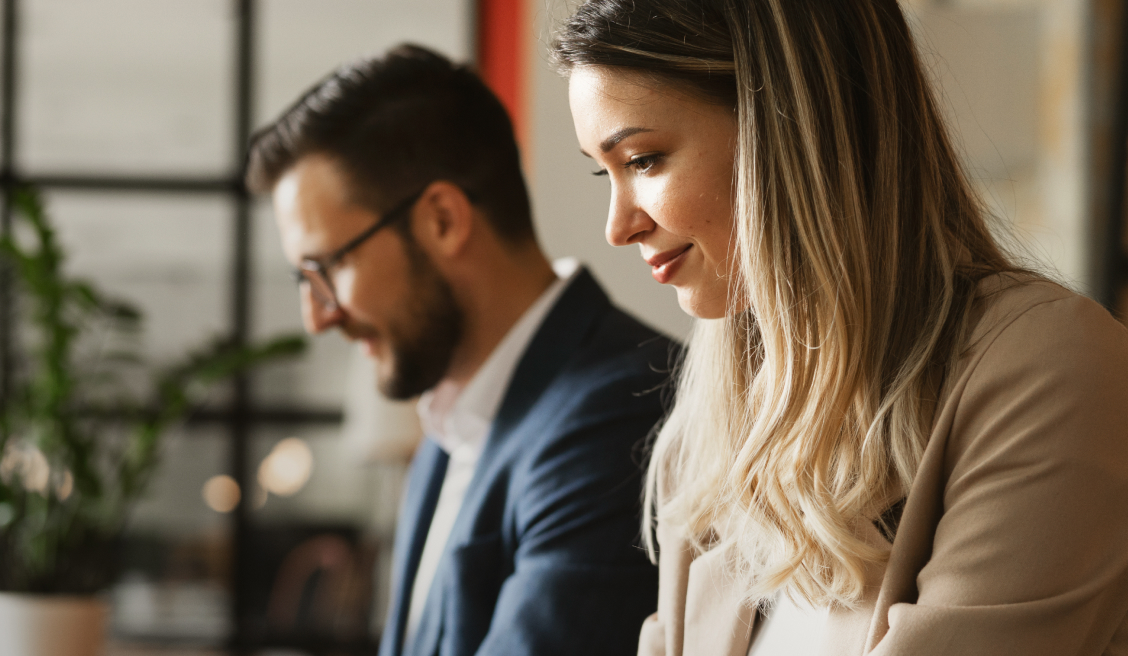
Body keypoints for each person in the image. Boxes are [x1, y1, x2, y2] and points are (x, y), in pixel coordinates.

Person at [553, 0, 1128, 654]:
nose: (617, 225)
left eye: (644, 159)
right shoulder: (708, 431)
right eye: (606, 172)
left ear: (790, 130)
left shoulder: (1052, 370)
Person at [247, 44, 676, 656]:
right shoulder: (449, 434)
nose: (317, 317)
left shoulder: (622, 414)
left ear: (443, 219)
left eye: (325, 269)